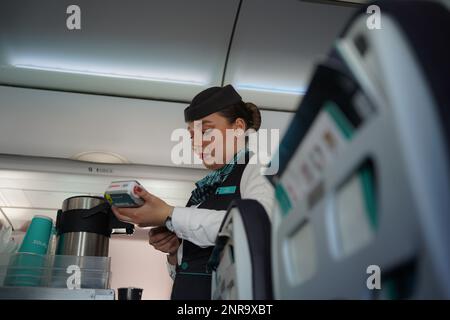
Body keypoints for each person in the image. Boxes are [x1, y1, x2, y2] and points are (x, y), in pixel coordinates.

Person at [112, 84, 274, 299]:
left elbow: (254, 225)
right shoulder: (203, 189)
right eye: (190, 135)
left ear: (238, 127)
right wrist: (174, 251)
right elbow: (192, 270)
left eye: (205, 131)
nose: (196, 142)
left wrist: (169, 214)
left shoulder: (258, 166)